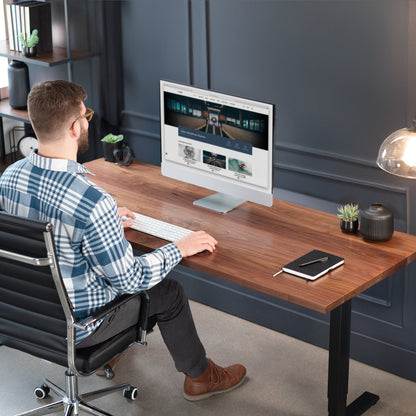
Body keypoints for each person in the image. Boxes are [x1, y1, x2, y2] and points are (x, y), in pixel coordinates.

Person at [0, 80, 246, 401]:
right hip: (82, 328)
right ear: (75, 127)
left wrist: (104, 224)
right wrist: (179, 248)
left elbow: (47, 234)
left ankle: (109, 359)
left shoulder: (10, 177)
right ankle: (200, 377)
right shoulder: (92, 202)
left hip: (29, 314)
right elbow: (131, 279)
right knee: (168, 292)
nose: (88, 121)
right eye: (85, 116)